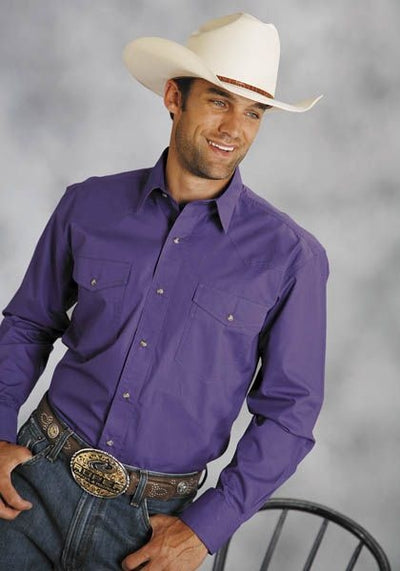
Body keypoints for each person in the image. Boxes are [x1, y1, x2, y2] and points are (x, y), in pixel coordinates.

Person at [0, 12, 329, 571]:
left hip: (149, 529)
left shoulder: (291, 257)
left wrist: (204, 529)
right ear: (175, 97)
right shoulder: (88, 205)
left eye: (254, 112)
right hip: (33, 489)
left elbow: (290, 415)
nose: (234, 128)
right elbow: (29, 325)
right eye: (219, 101)